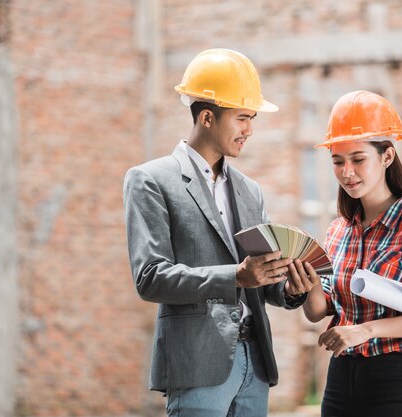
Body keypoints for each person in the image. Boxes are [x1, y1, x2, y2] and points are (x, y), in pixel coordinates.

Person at [123, 48, 311, 417]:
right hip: (197, 365)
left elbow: (262, 283)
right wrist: (237, 275)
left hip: (254, 365)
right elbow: (150, 278)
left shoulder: (249, 189)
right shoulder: (150, 180)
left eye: (252, 118)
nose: (249, 130)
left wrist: (288, 288)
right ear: (207, 117)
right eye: (242, 118)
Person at [299, 90, 402, 417]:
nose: (347, 172)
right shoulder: (338, 230)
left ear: (386, 157)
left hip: (398, 373)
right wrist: (305, 278)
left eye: (358, 159)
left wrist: (366, 330)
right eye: (337, 161)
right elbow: (319, 311)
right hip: (342, 374)